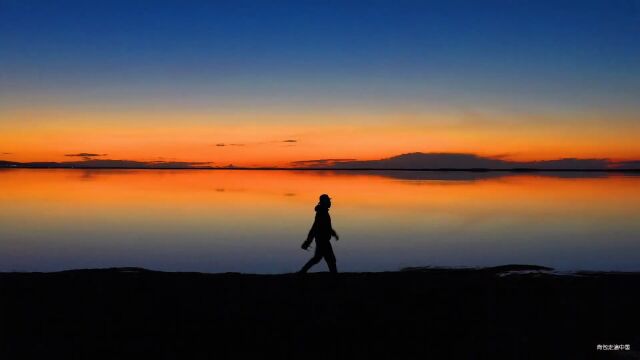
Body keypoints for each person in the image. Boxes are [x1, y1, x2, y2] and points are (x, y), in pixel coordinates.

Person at [298, 194, 339, 274]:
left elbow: (326, 227)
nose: (330, 202)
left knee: (318, 258)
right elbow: (315, 227)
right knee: (330, 259)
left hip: (322, 240)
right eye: (328, 200)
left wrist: (333, 233)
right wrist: (308, 241)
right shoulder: (322, 213)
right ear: (324, 202)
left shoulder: (323, 212)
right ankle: (335, 277)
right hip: (323, 240)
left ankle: (302, 271)